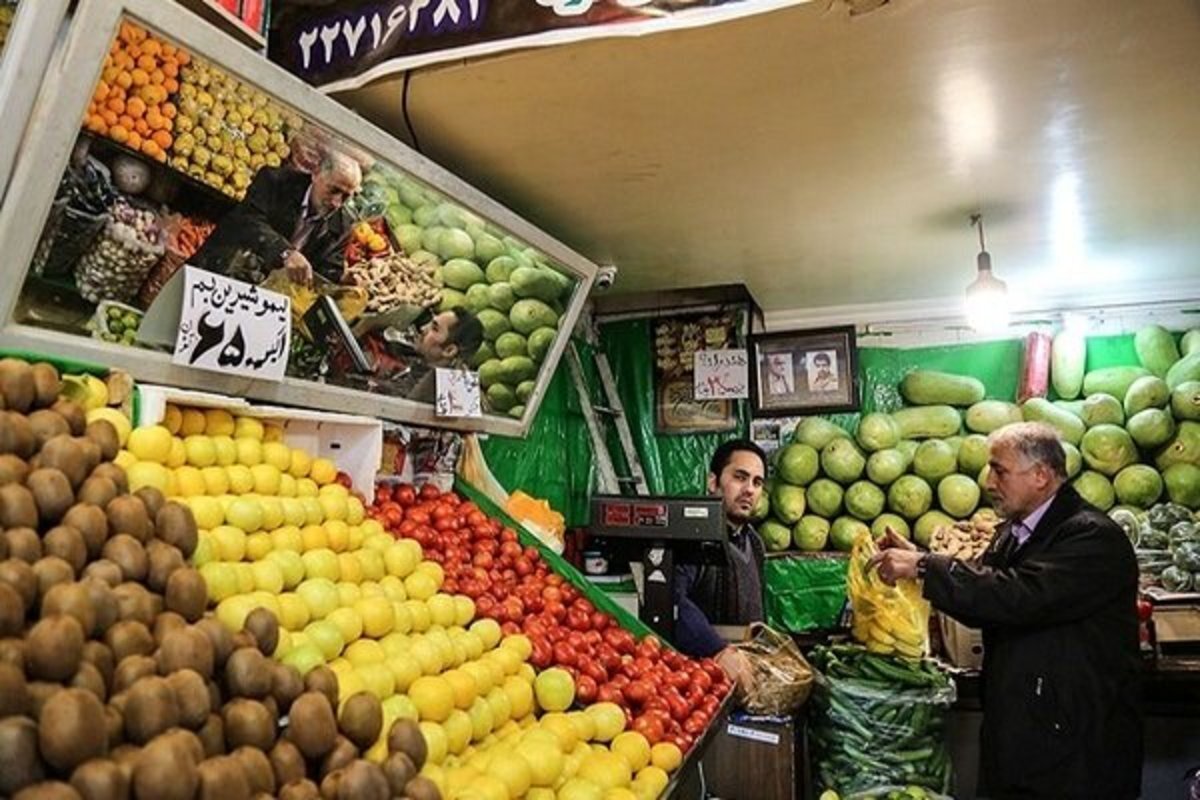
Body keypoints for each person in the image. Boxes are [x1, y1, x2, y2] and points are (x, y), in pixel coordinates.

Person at [869, 422, 1142, 799]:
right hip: (1023, 739)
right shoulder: (1012, 532)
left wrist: (923, 565)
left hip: (1075, 753)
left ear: (1042, 475)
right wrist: (921, 560)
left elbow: (1020, 594)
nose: (988, 481)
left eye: (999, 470)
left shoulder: (1091, 537)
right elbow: (985, 597)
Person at [674, 439, 767, 688]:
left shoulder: (755, 542)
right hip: (699, 681)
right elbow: (673, 602)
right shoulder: (693, 538)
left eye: (757, 483)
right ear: (712, 482)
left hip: (744, 674)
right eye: (740, 477)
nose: (749, 489)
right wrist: (717, 650)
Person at [191, 152, 363, 285]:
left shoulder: (343, 224)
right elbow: (248, 220)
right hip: (222, 269)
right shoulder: (276, 182)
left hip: (267, 298)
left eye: (346, 197)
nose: (336, 203)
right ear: (316, 173)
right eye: (333, 190)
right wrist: (285, 252)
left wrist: (342, 280)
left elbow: (327, 270)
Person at [353, 308, 484, 403]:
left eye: (434, 328)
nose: (423, 328)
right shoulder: (459, 380)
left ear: (449, 350)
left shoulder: (451, 390)